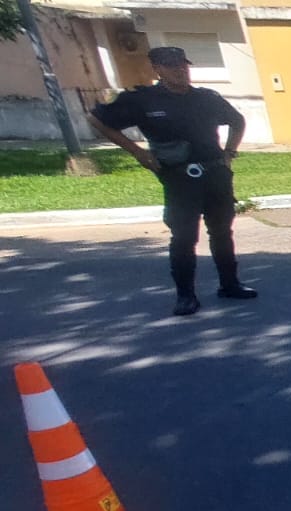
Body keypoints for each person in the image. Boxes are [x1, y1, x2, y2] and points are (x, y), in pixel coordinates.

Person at [88, 47, 258, 316]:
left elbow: (237, 121)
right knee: (184, 237)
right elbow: (97, 120)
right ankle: (185, 295)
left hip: (215, 173)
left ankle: (230, 284)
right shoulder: (144, 100)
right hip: (179, 178)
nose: (180, 70)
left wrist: (229, 153)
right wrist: (138, 152)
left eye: (182, 64)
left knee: (222, 232)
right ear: (157, 69)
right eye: (171, 66)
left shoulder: (206, 98)